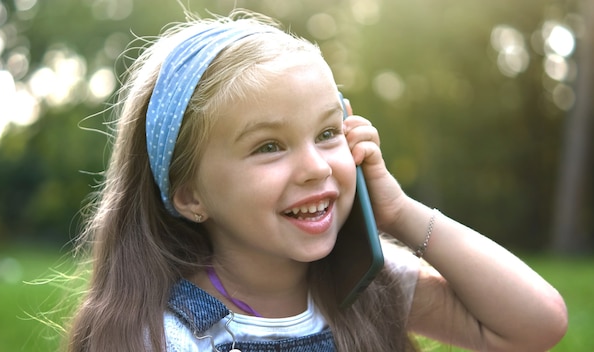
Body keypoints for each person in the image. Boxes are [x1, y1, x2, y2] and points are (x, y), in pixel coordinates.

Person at [64, 9, 568, 352]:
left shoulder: (372, 282)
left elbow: (538, 323)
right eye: (269, 146)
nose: (317, 167)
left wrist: (399, 213)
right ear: (191, 194)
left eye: (328, 132)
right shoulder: (169, 336)